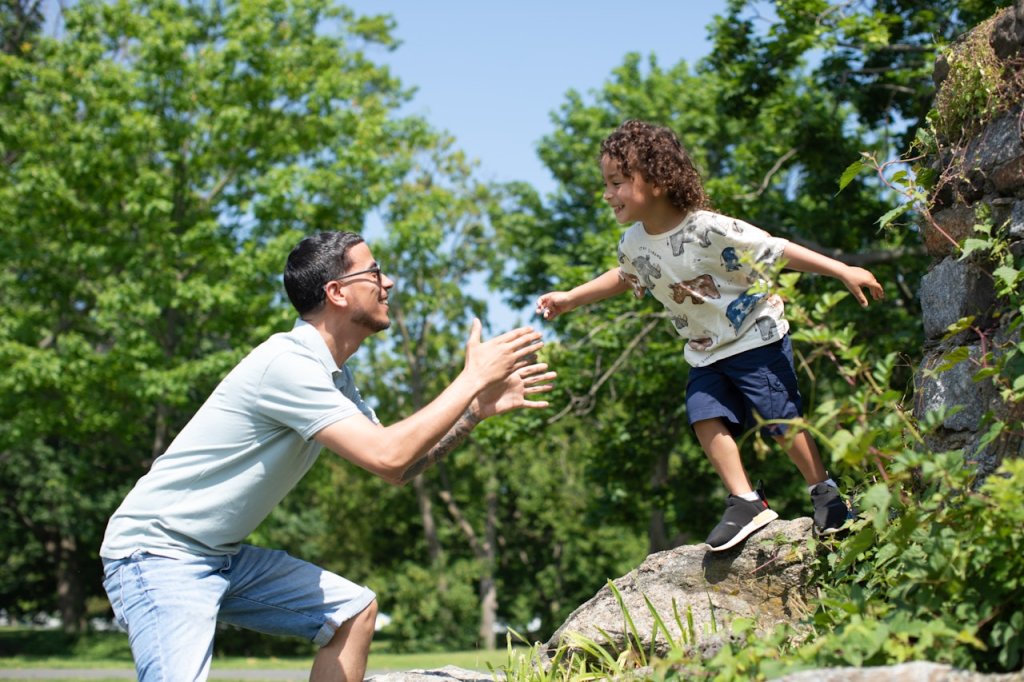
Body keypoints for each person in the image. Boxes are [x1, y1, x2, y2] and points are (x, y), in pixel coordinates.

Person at [99, 231, 556, 681]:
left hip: (219, 555)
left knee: (353, 611)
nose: (388, 283)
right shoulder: (289, 365)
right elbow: (389, 455)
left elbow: (400, 466)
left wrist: (472, 412)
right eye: (374, 272)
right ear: (336, 292)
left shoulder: (334, 376)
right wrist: (470, 379)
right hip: (158, 552)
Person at [535, 119, 884, 552]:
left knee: (779, 420)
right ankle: (746, 501)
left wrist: (841, 269)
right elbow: (626, 277)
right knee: (703, 416)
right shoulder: (633, 243)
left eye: (618, 182)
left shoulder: (709, 228)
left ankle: (826, 494)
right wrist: (572, 298)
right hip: (704, 350)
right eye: (606, 184)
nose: (608, 194)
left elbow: (774, 249)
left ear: (658, 180)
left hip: (755, 335)